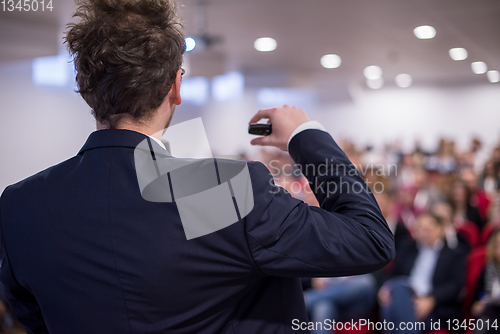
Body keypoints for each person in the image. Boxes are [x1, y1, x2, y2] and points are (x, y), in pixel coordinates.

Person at [0, 1, 394, 333]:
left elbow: (33, 316)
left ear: (87, 89)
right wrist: (305, 135)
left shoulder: (21, 205)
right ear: (175, 85)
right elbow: (370, 240)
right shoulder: (218, 193)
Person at [378, 213, 466, 334]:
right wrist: (385, 287)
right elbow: (392, 274)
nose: (424, 233)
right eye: (420, 229)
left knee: (392, 307)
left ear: (440, 229)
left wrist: (432, 299)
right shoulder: (407, 248)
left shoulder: (454, 254)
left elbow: (455, 285)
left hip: (434, 308)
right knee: (397, 290)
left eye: (428, 229)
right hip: (405, 294)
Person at [472, 230, 500, 334]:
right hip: (490, 312)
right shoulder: (487, 269)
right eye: (497, 245)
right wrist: (479, 304)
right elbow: (475, 301)